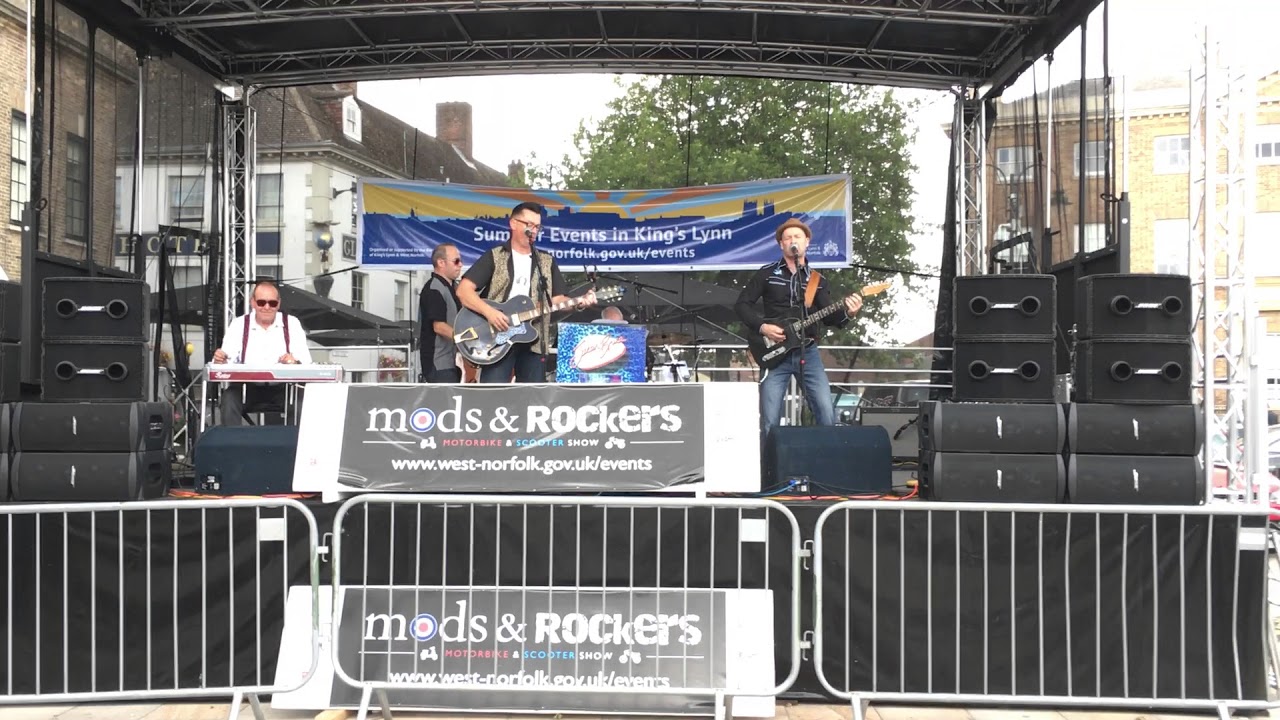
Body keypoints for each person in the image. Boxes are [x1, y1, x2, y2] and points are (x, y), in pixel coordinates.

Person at [735, 218, 862, 442]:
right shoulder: (767, 273)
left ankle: (825, 459)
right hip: (775, 353)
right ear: (781, 244)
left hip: (807, 351)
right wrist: (763, 327)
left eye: (797, 237)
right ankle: (770, 463)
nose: (793, 240)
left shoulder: (817, 280)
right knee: (770, 419)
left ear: (807, 242)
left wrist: (849, 313)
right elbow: (742, 305)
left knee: (825, 411)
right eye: (788, 238)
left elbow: (830, 318)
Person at [456, 201, 596, 382]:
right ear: (513, 223)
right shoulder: (495, 256)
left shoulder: (546, 261)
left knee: (532, 395)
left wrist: (578, 303)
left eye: (537, 226)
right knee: (493, 392)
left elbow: (557, 300)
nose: (533, 230)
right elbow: (463, 291)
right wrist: (490, 313)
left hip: (534, 339)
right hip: (497, 336)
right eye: (529, 224)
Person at [212, 280, 312, 425]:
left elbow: (306, 362)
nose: (266, 307)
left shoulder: (292, 323)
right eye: (261, 302)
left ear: (278, 304)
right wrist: (221, 359)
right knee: (229, 399)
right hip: (247, 388)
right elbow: (227, 359)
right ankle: (233, 439)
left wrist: (294, 362)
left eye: (272, 303)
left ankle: (295, 439)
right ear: (252, 302)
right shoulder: (239, 324)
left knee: (301, 401)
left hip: (283, 389)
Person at [419, 242, 464, 382]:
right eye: (456, 261)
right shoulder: (434, 288)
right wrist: (466, 340)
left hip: (450, 362)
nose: (461, 265)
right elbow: (439, 327)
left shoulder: (453, 287)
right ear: (441, 263)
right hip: (438, 363)